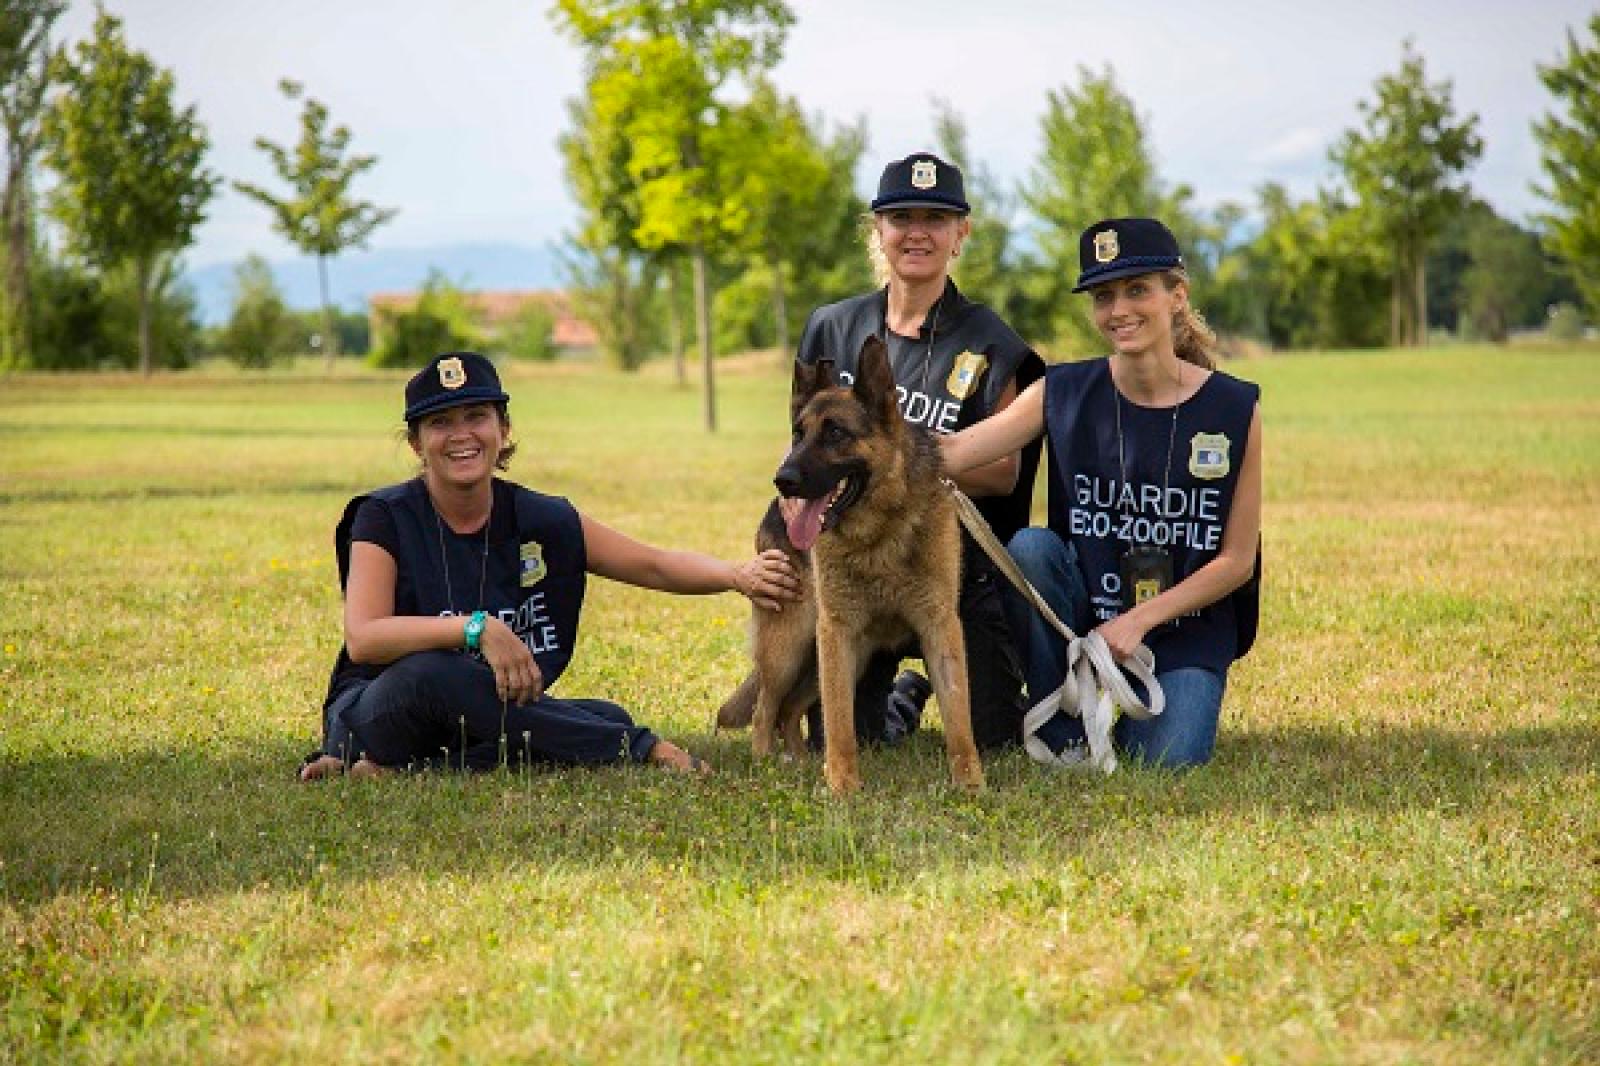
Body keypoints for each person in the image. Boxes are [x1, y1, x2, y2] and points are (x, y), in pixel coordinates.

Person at [301, 351, 799, 781]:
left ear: (503, 429)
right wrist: (476, 629)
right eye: (440, 423)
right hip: (383, 711)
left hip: (483, 713)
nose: (461, 435)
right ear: (416, 443)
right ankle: (640, 748)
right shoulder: (383, 517)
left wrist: (736, 576)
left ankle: (396, 770)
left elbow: (652, 564)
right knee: (436, 672)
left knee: (603, 713)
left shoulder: (540, 517)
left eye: (476, 416)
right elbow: (364, 637)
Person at [940, 217, 1262, 769]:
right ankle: (1063, 720)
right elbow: (953, 452)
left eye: (1137, 290)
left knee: (1166, 760)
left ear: (1177, 295)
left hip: (1183, 628)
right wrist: (854, 444)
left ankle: (1145, 697)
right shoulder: (1063, 391)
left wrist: (1139, 620)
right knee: (1032, 549)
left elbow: (1236, 562)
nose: (1119, 310)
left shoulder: (1234, 408)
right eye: (1103, 296)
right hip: (1083, 621)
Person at [789, 151, 1046, 750]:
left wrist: (897, 466)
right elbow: (802, 449)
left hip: (954, 572)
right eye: (901, 217)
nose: (918, 233)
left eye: (937, 218)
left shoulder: (990, 340)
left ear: (961, 233)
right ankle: (902, 700)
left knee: (992, 739)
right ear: (878, 229)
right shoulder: (832, 328)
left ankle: (938, 679)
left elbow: (1003, 472)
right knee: (847, 738)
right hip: (856, 565)